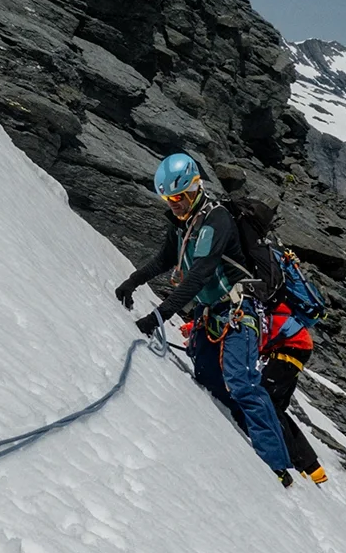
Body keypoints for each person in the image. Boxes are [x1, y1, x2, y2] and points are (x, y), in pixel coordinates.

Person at [115, 153, 295, 486]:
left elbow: (200, 274)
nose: (175, 205)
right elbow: (165, 259)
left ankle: (277, 465)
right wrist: (133, 281)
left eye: (180, 197)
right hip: (210, 313)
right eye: (169, 200)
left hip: (240, 311)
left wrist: (158, 317)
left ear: (195, 187)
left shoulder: (217, 220)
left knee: (241, 381)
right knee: (209, 377)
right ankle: (239, 433)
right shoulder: (183, 224)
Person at [260, 302, 328, 484]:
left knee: (267, 403)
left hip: (288, 353)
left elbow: (264, 338)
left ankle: (294, 460)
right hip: (295, 353)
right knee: (276, 408)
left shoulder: (273, 312)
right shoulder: (283, 309)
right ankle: (312, 467)